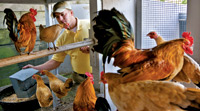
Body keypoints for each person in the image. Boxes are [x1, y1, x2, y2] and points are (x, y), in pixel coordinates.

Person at [23, 1, 92, 84]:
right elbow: (55, 61)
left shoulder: (90, 24)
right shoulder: (61, 39)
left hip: (97, 74)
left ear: (71, 12)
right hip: (78, 78)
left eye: (63, 14)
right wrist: (35, 69)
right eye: (57, 17)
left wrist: (92, 49)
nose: (61, 19)